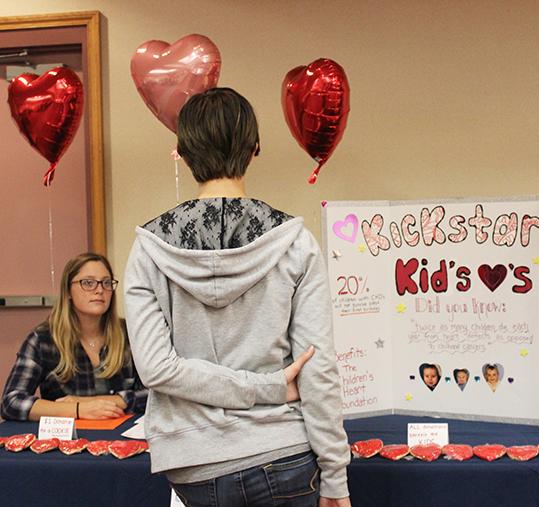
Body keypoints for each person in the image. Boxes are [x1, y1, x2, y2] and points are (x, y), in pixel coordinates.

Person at [124, 87, 351, 507]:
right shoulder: (295, 244)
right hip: (284, 455)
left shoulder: (148, 250)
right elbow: (318, 372)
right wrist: (335, 477)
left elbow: (156, 370)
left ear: (182, 151)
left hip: (194, 465)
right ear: (256, 148)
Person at [1, 253, 147, 421]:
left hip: (123, 439)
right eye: (88, 283)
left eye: (106, 283)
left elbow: (158, 395)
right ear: (68, 291)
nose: (100, 290)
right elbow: (11, 402)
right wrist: (77, 410)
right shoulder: (43, 340)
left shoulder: (130, 334)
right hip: (67, 440)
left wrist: (96, 402)